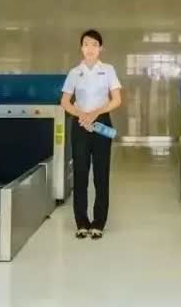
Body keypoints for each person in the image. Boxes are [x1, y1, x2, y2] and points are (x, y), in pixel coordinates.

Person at [60, 29, 122, 240]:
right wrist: (82, 115)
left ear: (100, 48)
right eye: (86, 44)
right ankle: (81, 222)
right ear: (81, 48)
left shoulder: (108, 70)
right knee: (80, 174)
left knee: (101, 174)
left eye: (94, 45)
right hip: (80, 125)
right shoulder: (74, 73)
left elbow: (116, 100)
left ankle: (98, 222)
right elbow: (65, 102)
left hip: (102, 123)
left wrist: (95, 113)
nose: (90, 48)